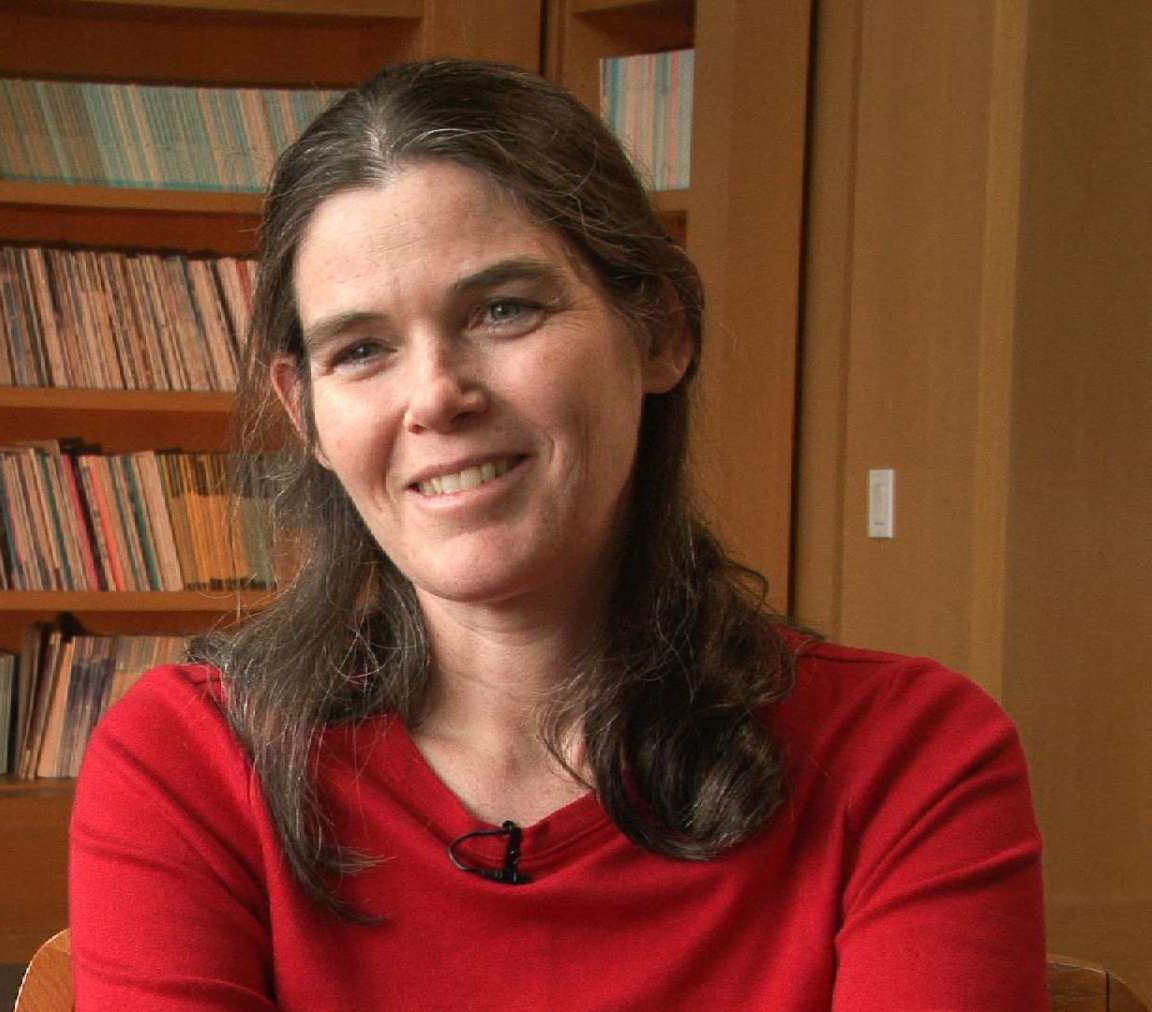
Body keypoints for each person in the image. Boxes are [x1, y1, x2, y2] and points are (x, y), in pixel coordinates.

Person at [69, 59, 1046, 1010]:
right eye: (361, 349)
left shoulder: (910, 759)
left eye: (503, 308)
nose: (437, 396)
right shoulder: (191, 764)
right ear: (307, 411)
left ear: (658, 330)